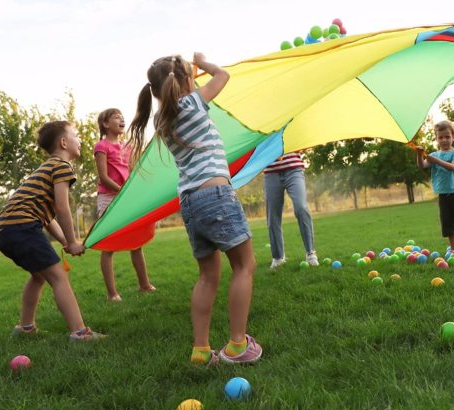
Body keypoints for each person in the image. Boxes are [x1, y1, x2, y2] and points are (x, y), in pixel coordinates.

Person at [127, 53, 261, 365]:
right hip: (215, 194)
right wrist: (205, 63)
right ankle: (238, 345)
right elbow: (223, 76)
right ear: (187, 81)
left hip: (189, 202)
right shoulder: (192, 103)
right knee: (245, 265)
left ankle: (201, 351)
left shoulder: (162, 119)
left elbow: (181, 91)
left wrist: (188, 74)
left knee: (207, 276)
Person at [0, 121, 105, 342]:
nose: (79, 139)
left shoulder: (45, 167)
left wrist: (64, 241)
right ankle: (80, 333)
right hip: (21, 226)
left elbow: (47, 216)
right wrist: (72, 241)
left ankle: (25, 328)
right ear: (63, 142)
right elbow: (62, 208)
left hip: (4, 229)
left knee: (38, 275)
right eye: (75, 135)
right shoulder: (62, 166)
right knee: (58, 276)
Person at [95, 108, 155, 301]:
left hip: (126, 197)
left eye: (122, 117)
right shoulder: (101, 146)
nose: (121, 119)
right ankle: (112, 293)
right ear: (105, 124)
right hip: (109, 198)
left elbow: (131, 172)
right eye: (116, 117)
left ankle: (144, 285)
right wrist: (122, 192)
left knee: (136, 243)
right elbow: (104, 177)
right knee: (109, 246)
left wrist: (135, 191)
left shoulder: (126, 147)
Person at [415, 120, 454, 253]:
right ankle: (453, 249)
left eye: (447, 137)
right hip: (443, 195)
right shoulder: (433, 155)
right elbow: (422, 165)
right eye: (441, 137)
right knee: (448, 223)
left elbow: (453, 167)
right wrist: (419, 155)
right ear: (436, 139)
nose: (444, 140)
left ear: (453, 137)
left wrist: (436, 161)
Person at [263, 152, 318, 269]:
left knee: (301, 207)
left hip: (294, 169)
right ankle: (278, 258)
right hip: (271, 172)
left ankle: (310, 253)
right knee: (272, 216)